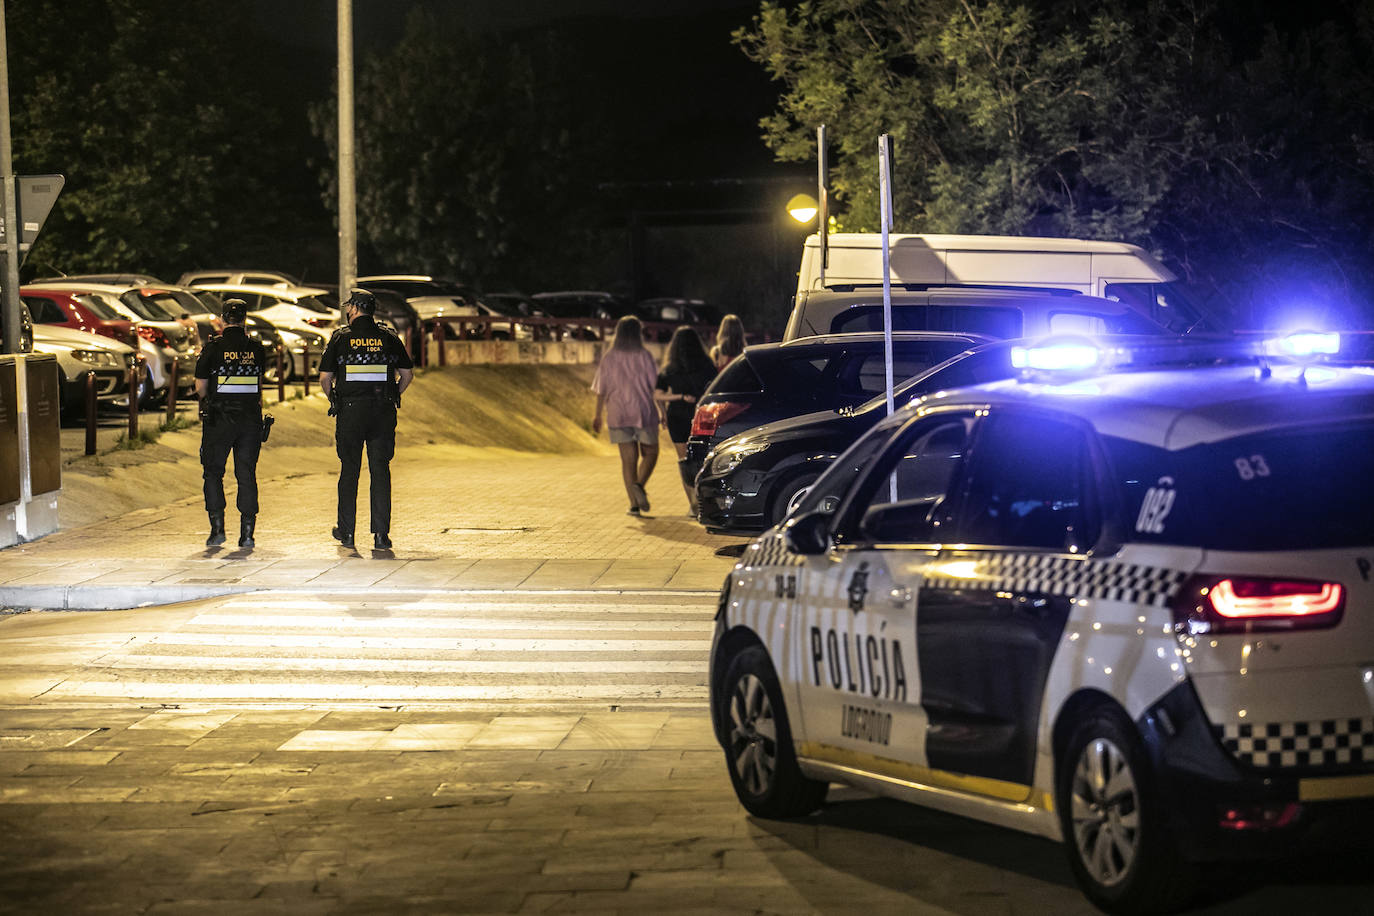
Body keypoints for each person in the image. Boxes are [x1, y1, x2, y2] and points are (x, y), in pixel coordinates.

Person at [319, 288, 414, 549]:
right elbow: (407, 375)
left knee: (349, 471)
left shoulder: (341, 338)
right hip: (382, 412)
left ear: (355, 308)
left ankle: (347, 532)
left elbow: (325, 379)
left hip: (350, 412)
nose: (347, 309)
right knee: (380, 471)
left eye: (349, 305)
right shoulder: (389, 337)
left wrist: (334, 399)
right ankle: (381, 535)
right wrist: (393, 392)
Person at [194, 298, 267, 548]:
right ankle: (247, 535)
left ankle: (217, 530)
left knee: (213, 472)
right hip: (249, 420)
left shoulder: (213, 348)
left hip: (219, 420)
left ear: (223, 319)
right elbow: (258, 385)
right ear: (245, 319)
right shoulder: (256, 348)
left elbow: (201, 387)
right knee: (246, 474)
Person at [591, 314, 659, 516]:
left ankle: (634, 505)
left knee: (628, 460)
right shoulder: (644, 356)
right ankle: (639, 485)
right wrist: (663, 411)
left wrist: (597, 416)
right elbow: (655, 387)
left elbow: (601, 390)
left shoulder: (609, 358)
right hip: (643, 410)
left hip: (618, 412)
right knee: (651, 453)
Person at [654, 326, 717, 514]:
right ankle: (704, 501)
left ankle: (692, 504)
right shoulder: (707, 365)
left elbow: (657, 395)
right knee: (703, 460)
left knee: (684, 461)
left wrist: (678, 397)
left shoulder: (670, 369)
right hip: (701, 417)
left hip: (677, 417)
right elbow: (715, 389)